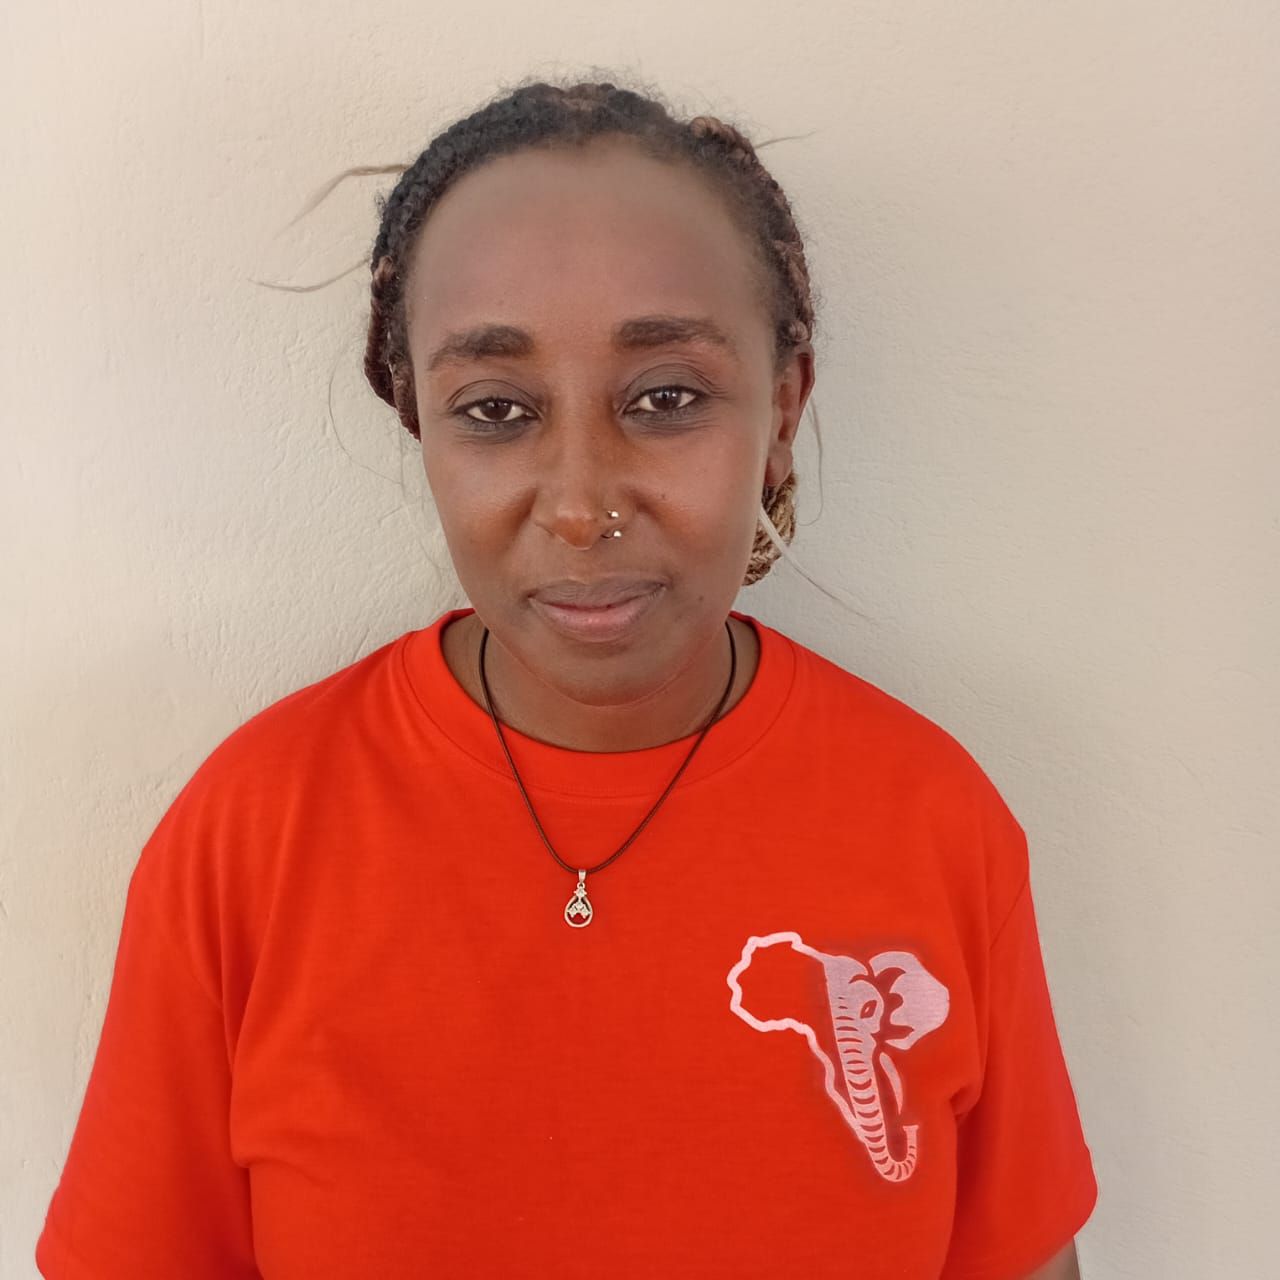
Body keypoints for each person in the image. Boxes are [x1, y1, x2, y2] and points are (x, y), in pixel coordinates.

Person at [35, 78, 1097, 1279]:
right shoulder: (252, 838)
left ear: (781, 409)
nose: (583, 505)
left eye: (665, 398)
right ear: (418, 422)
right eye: (496, 409)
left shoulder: (931, 819)